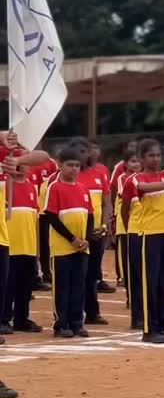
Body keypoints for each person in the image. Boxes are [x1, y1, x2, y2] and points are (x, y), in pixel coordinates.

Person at [121, 139, 164, 344]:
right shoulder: (135, 178)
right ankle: (149, 329)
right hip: (149, 234)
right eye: (151, 155)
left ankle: (162, 325)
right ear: (141, 158)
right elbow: (145, 188)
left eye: (158, 155)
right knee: (150, 281)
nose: (155, 159)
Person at [44, 146, 93, 339]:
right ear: (60, 165)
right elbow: (52, 217)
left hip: (81, 247)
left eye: (77, 165)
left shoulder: (83, 189)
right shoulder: (55, 187)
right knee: (62, 287)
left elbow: (90, 216)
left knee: (79, 286)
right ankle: (61, 324)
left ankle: (77, 323)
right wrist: (72, 238)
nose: (74, 169)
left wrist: (86, 239)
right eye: (70, 165)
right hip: (62, 247)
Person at [70, 138, 111, 328]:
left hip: (96, 233)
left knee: (92, 275)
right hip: (75, 235)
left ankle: (93, 313)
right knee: (76, 275)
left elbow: (106, 202)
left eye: (85, 151)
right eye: (79, 151)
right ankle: (72, 316)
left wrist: (104, 224)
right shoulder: (68, 176)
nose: (84, 155)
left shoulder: (99, 174)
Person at [1, 163, 42, 333]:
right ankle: (4, 319)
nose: (21, 167)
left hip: (29, 245)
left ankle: (21, 319)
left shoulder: (32, 187)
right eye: (17, 164)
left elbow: (35, 217)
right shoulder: (4, 186)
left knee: (25, 286)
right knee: (7, 285)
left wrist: (37, 248)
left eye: (24, 164)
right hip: (10, 244)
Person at [88, 140, 116, 293]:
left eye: (96, 148)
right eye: (91, 148)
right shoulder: (74, 173)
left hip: (99, 225)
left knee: (98, 255)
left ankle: (97, 280)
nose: (94, 152)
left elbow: (107, 200)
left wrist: (105, 224)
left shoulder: (102, 170)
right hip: (81, 227)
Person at [115, 155, 141, 317]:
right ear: (125, 164)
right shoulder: (124, 179)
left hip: (143, 227)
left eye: (138, 161)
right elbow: (123, 203)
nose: (136, 164)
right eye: (132, 161)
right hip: (127, 223)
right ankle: (125, 283)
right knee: (126, 258)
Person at [120, 163, 144, 331]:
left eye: (158, 155)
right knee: (136, 276)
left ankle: (161, 313)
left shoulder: (161, 179)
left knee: (157, 277)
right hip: (136, 232)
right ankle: (138, 317)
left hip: (155, 232)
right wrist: (131, 228)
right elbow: (124, 209)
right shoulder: (130, 182)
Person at [31, 154, 58, 290]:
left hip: (44, 210)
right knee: (33, 245)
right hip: (31, 211)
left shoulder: (49, 162)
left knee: (46, 244)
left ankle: (47, 273)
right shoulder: (17, 160)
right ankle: (34, 275)